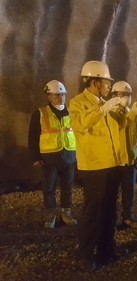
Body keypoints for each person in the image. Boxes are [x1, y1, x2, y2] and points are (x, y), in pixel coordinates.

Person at [69, 60, 137, 270]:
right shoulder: (79, 103)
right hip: (94, 166)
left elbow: (121, 125)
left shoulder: (106, 103)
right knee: (93, 211)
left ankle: (106, 249)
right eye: (106, 82)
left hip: (112, 165)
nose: (108, 86)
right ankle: (85, 254)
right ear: (95, 82)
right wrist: (103, 109)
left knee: (109, 210)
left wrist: (133, 114)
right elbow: (80, 124)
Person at [28, 80, 77, 229]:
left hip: (69, 155)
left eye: (62, 94)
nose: (61, 98)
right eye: (57, 95)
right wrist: (35, 157)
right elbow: (33, 136)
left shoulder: (71, 111)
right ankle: (51, 214)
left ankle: (66, 213)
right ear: (49, 96)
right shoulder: (40, 113)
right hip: (49, 157)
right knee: (49, 187)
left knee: (67, 186)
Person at [111, 81, 137, 229]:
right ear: (114, 96)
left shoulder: (135, 114)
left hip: (129, 161)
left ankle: (128, 217)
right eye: (122, 95)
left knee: (129, 192)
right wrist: (133, 114)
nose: (126, 98)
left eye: (128, 95)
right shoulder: (109, 113)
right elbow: (119, 126)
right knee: (111, 194)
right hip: (113, 162)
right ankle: (111, 220)